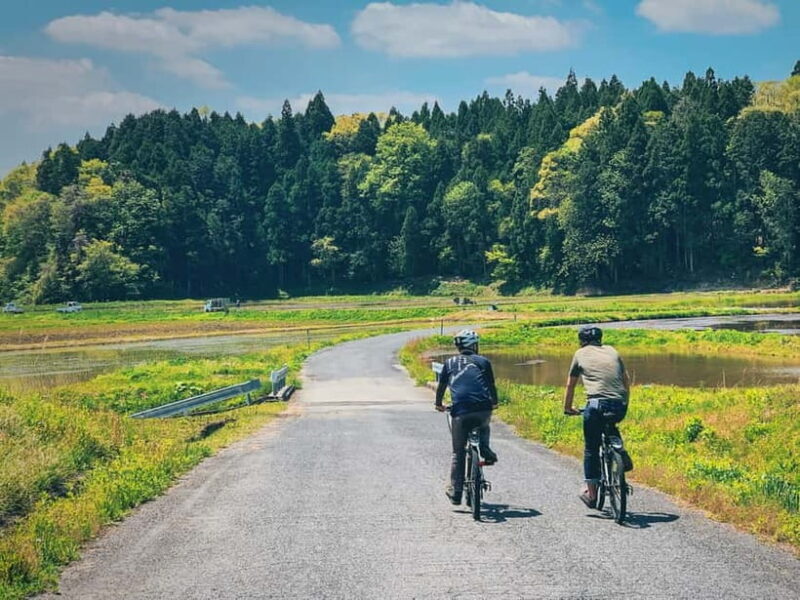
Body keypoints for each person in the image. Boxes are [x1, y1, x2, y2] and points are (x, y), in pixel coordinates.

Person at [563, 325, 633, 508]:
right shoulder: (612, 350)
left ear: (582, 341)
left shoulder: (579, 354)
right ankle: (619, 449)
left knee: (591, 448)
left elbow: (570, 385)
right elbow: (626, 380)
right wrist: (625, 402)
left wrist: (568, 408)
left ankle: (592, 494)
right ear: (600, 339)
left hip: (596, 406)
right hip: (619, 405)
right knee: (610, 425)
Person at [435, 328, 499, 505]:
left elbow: (441, 387)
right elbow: (491, 386)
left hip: (461, 410)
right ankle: (485, 448)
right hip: (482, 408)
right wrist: (494, 402)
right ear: (474, 345)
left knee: (458, 451)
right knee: (484, 424)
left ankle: (456, 493)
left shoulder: (449, 363)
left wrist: (438, 404)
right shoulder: (484, 362)